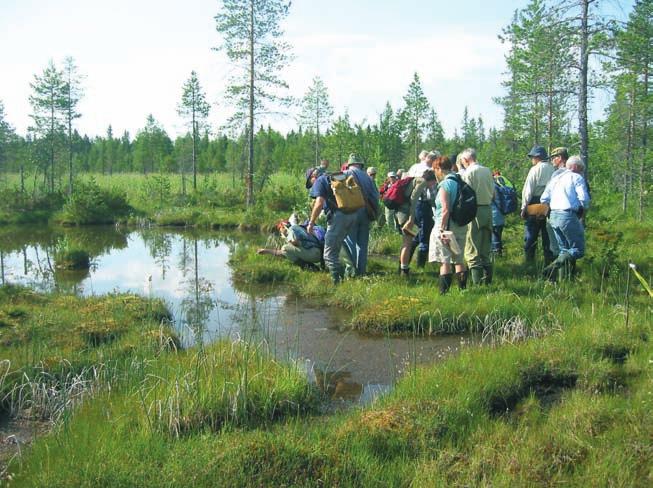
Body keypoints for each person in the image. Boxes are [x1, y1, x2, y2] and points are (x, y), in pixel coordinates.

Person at [540, 155, 590, 281]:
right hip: (567, 215)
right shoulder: (576, 177)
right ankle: (552, 267)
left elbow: (544, 198)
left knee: (564, 250)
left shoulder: (556, 178)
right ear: (575, 167)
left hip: (554, 216)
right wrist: (583, 209)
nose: (581, 172)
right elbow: (584, 199)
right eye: (581, 169)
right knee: (578, 250)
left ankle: (564, 282)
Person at [429, 156, 468, 293]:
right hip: (460, 224)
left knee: (444, 260)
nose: (435, 173)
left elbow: (445, 209)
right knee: (458, 259)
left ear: (439, 169)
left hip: (446, 225)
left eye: (435, 170)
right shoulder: (459, 181)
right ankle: (463, 290)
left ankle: (443, 293)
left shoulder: (445, 185)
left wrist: (441, 228)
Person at [459, 148, 495, 285]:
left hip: (474, 211)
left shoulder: (469, 172)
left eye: (463, 161)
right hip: (488, 209)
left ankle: (477, 285)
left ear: (466, 160)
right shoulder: (487, 170)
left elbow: (465, 195)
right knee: (485, 248)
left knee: (472, 248)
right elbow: (494, 192)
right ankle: (488, 282)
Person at [395, 169, 438, 276]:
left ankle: (402, 266)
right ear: (431, 180)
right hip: (416, 212)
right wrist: (411, 218)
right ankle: (408, 269)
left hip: (407, 211)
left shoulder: (417, 180)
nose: (434, 184)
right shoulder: (422, 183)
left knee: (411, 239)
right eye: (434, 181)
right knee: (410, 241)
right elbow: (414, 199)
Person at [343, 154, 379, 276]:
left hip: (351, 212)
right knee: (362, 245)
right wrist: (373, 212)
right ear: (361, 164)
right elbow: (375, 196)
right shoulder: (368, 177)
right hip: (366, 212)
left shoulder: (346, 174)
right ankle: (361, 271)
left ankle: (351, 273)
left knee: (350, 242)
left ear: (349, 164)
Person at [520, 145, 555, 265]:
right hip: (549, 205)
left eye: (532, 157)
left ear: (537, 157)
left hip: (535, 203)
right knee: (547, 235)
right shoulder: (552, 169)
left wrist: (523, 207)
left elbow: (528, 190)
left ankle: (529, 262)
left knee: (531, 234)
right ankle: (549, 261)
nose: (532, 159)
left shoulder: (535, 169)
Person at [407, 151, 440, 268]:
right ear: (433, 160)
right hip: (424, 205)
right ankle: (420, 266)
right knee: (425, 235)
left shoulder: (414, 168)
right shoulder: (429, 172)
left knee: (421, 232)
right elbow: (431, 194)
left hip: (414, 205)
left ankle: (407, 259)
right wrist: (437, 206)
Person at [257, 220, 323, 268]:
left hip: (314, 253)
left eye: (279, 230)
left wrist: (288, 240)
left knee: (285, 247)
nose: (280, 233)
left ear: (283, 227)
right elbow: (284, 253)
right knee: (286, 249)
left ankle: (308, 267)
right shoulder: (297, 228)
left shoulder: (291, 230)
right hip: (317, 253)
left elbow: (295, 243)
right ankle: (311, 267)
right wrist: (266, 251)